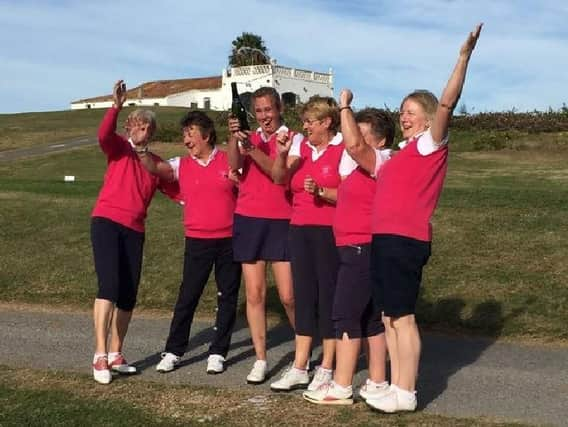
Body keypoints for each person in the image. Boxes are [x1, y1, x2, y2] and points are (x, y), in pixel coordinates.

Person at [339, 24, 483, 413]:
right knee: (388, 316)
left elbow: (449, 102)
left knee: (402, 317)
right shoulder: (395, 156)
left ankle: (406, 392)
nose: (404, 116)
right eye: (401, 111)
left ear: (427, 117)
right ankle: (393, 387)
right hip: (383, 237)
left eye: (411, 111)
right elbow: (355, 149)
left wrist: (463, 57)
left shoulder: (431, 143)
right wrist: (345, 108)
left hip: (406, 239)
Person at [136, 111, 242, 375]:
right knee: (188, 296)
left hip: (230, 239)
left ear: (206, 135)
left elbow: (244, 184)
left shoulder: (227, 160)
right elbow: (156, 168)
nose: (186, 139)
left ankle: (218, 352)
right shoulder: (181, 164)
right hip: (198, 240)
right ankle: (174, 350)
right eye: (184, 134)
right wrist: (140, 148)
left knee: (226, 297)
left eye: (190, 133)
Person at [303, 108, 395, 405]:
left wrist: (344, 106)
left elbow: (355, 147)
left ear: (379, 143)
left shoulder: (378, 163)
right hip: (353, 246)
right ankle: (378, 381)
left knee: (344, 314)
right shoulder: (357, 169)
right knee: (369, 319)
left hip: (361, 247)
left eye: (364, 136)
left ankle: (341, 386)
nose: (354, 143)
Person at [90, 80, 178, 384]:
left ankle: (116, 353)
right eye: (135, 125)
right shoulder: (119, 148)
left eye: (144, 127)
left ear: (151, 133)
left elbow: (181, 190)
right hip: (106, 221)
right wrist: (116, 106)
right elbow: (103, 135)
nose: (138, 130)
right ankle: (99, 355)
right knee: (109, 287)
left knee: (128, 295)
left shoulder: (154, 164)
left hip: (134, 230)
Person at [269, 96, 343, 392]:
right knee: (303, 296)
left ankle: (327, 366)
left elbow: (352, 194)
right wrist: (281, 154)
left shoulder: (342, 149)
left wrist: (324, 192)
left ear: (326, 122)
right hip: (298, 228)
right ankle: (300, 366)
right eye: (304, 122)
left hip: (329, 231)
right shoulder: (301, 149)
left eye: (310, 121)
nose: (305, 126)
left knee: (327, 297)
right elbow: (278, 178)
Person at [227, 87, 300, 384]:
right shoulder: (248, 136)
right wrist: (234, 136)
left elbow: (277, 174)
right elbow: (233, 164)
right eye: (258, 111)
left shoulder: (293, 138)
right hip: (249, 218)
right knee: (255, 294)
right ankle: (260, 359)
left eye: (268, 109)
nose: (264, 116)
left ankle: (303, 352)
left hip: (282, 220)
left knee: (288, 296)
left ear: (279, 107)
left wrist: (251, 149)